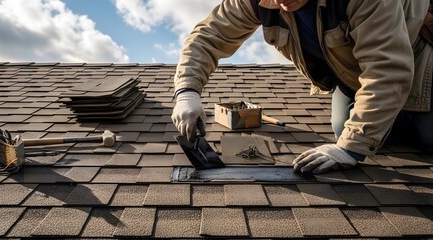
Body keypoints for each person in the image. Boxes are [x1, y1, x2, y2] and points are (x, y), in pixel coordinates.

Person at [171, 0, 433, 174]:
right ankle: (386, 114)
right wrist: (187, 92)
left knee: (426, 137)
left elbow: (387, 69)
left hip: (417, 56)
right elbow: (208, 37)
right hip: (353, 75)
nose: (279, 2)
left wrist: (351, 148)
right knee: (344, 128)